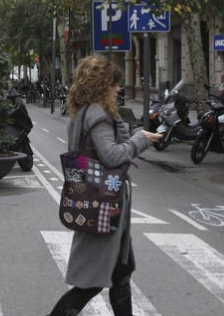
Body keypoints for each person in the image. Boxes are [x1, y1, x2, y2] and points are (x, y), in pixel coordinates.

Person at [47, 56, 162, 316]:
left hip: (95, 201)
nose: (118, 88)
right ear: (101, 85)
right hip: (103, 205)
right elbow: (111, 156)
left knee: (121, 273)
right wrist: (140, 139)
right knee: (91, 283)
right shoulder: (97, 114)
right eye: (114, 84)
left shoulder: (82, 112)